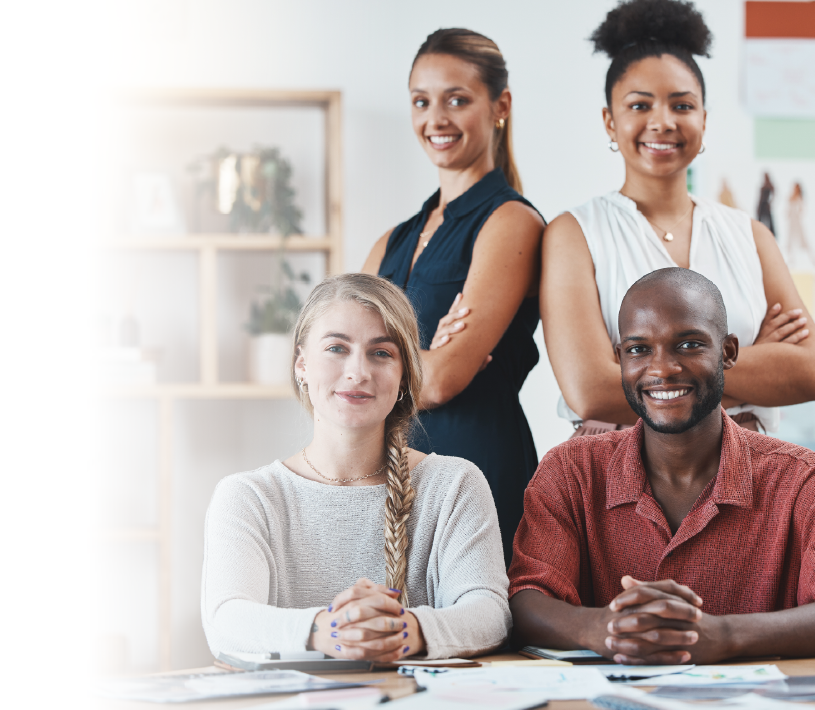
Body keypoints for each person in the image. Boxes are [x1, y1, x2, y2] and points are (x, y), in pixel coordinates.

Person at [509, 268, 815, 665]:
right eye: (638, 349)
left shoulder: (801, 479)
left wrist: (725, 635)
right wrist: (602, 628)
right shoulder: (570, 470)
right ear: (620, 358)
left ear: (728, 352)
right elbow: (527, 600)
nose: (663, 368)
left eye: (688, 345)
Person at [540, 0, 815, 437]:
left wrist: (646, 374)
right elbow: (590, 389)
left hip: (749, 462)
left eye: (682, 106)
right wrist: (754, 362)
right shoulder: (574, 234)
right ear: (610, 121)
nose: (663, 122)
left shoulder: (749, 235)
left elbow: (808, 370)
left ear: (704, 119)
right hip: (617, 463)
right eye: (640, 106)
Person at [201, 273, 510, 661]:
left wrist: (405, 631)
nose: (358, 372)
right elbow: (226, 620)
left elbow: (490, 613)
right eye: (336, 348)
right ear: (301, 364)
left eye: (381, 353)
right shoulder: (248, 496)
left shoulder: (454, 484)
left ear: (403, 376)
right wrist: (326, 630)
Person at [362, 29, 545, 565]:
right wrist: (423, 359)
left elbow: (442, 380)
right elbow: (335, 368)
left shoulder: (511, 223)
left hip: (478, 470)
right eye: (421, 101)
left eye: (457, 100)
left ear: (500, 106)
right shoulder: (392, 240)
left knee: (478, 615)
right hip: (389, 476)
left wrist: (385, 359)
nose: (435, 119)